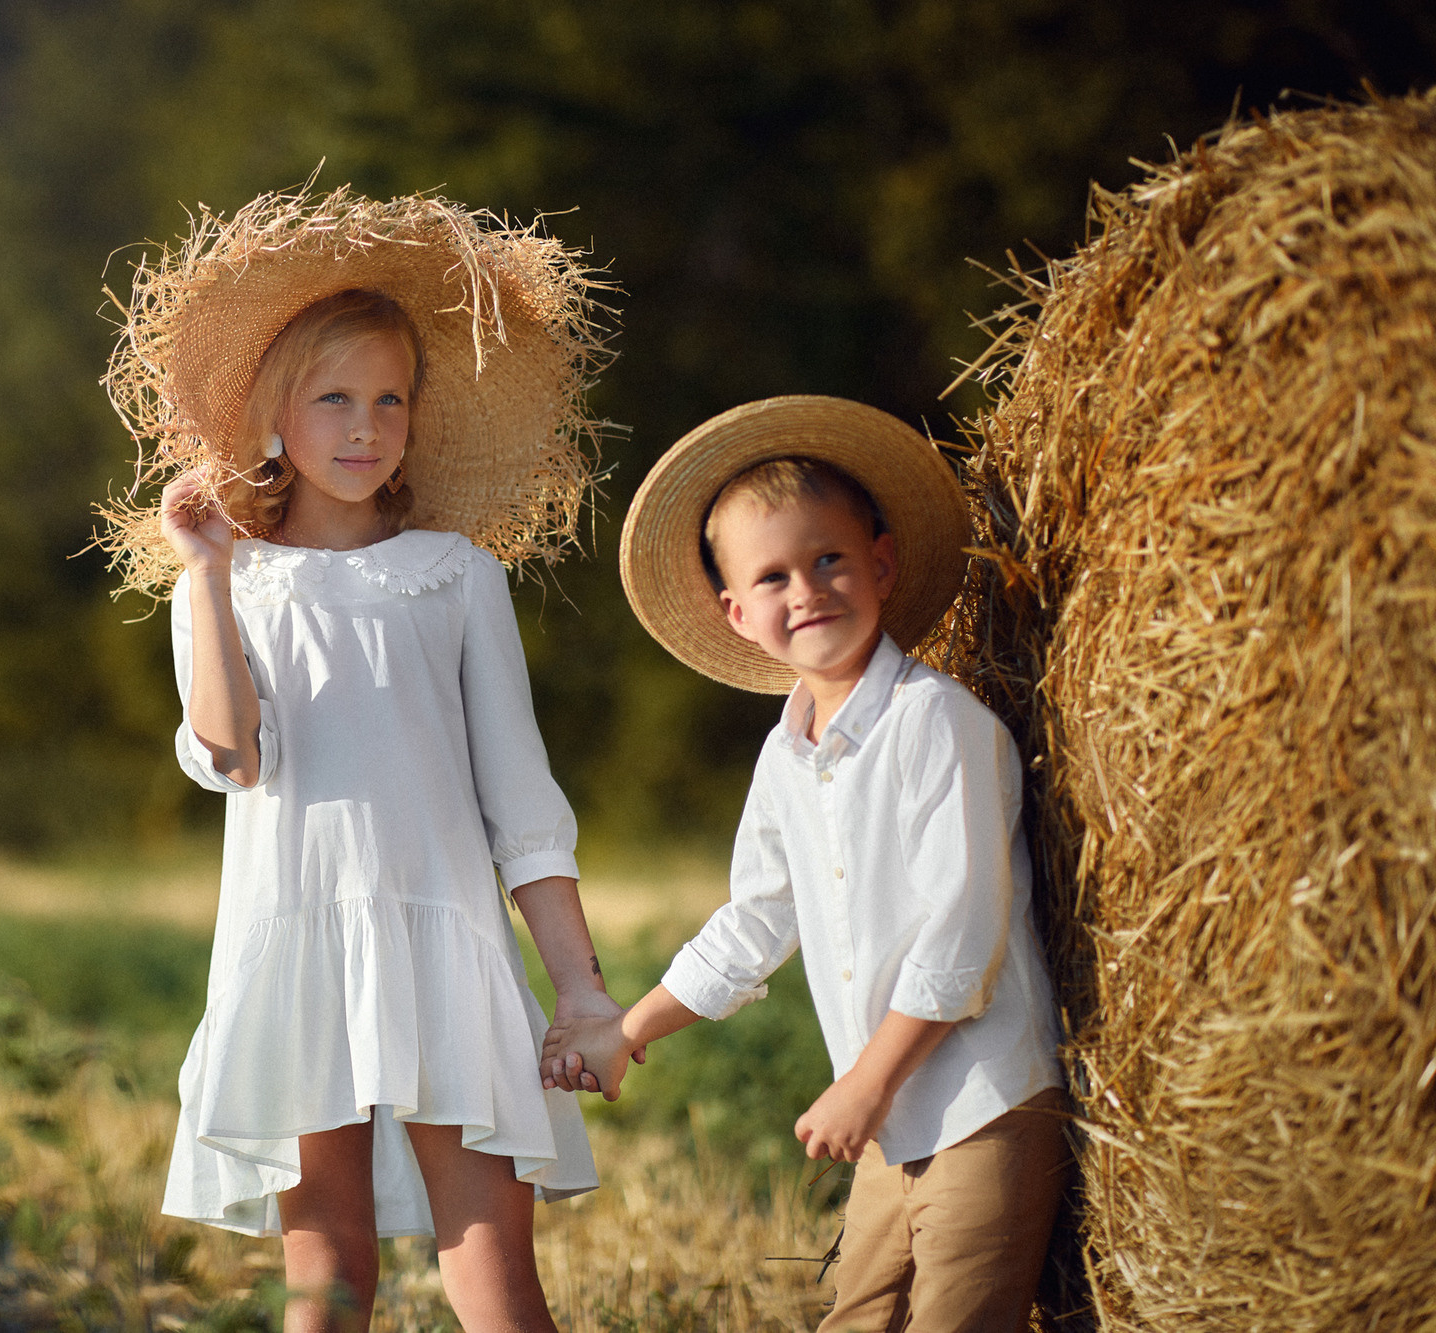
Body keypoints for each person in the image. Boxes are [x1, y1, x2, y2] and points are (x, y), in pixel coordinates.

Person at [99, 187, 620, 1333]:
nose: (363, 424)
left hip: (445, 938)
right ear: (273, 417)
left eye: (388, 399)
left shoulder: (454, 574)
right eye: (333, 397)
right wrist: (204, 569)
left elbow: (521, 799)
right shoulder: (230, 580)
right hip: (295, 943)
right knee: (325, 1274)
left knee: (495, 1263)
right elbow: (233, 753)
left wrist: (576, 985)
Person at [543, 397, 1070, 1332]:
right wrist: (629, 1030)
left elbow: (963, 936)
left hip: (984, 1101)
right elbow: (755, 920)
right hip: (890, 1120)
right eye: (775, 576)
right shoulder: (786, 755)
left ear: (882, 561)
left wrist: (865, 1083)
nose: (808, 589)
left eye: (828, 558)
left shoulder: (937, 725)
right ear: (737, 613)